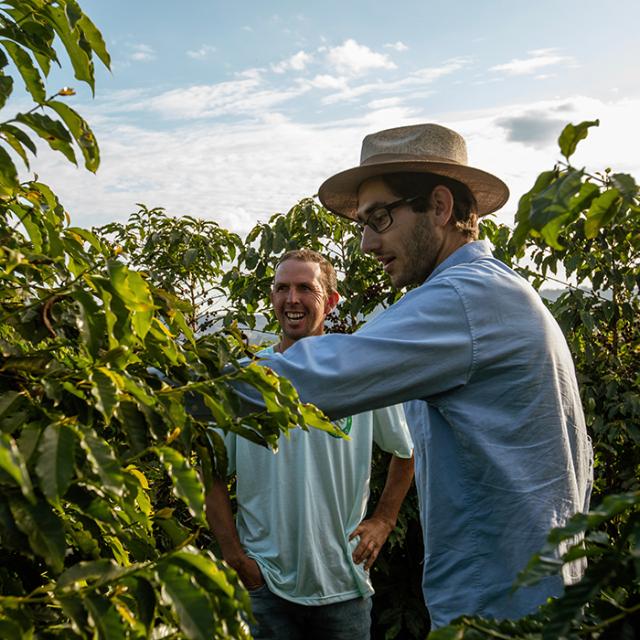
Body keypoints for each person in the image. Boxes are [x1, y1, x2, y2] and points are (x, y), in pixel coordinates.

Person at [234, 124, 593, 628]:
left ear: (440, 208)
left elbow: (320, 376)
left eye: (378, 219)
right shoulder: (488, 290)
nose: (366, 243)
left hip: (504, 608)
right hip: (517, 595)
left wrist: (175, 382)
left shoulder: (463, 300)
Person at [206, 249, 414, 640]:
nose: (292, 299)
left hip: (343, 584)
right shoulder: (248, 379)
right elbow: (212, 472)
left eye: (306, 287)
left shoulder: (358, 371)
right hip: (263, 586)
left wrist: (384, 520)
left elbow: (405, 451)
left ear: (331, 301)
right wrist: (235, 557)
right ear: (272, 298)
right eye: (282, 288)